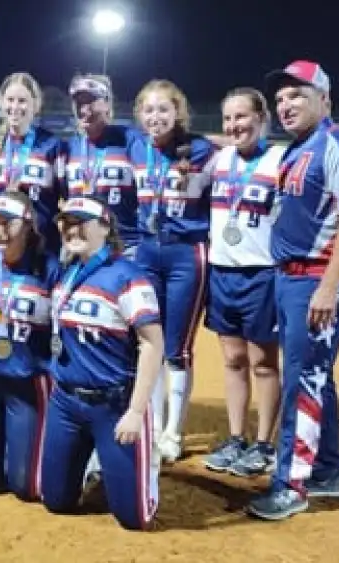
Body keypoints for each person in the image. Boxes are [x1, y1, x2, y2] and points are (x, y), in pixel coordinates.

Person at [247, 60, 339, 521]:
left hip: (316, 280)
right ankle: (326, 470)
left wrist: (329, 286)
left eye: (296, 95)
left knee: (302, 380)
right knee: (316, 374)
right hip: (291, 278)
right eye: (280, 98)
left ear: (325, 98)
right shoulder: (295, 150)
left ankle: (291, 486)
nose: (285, 105)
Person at [39, 196, 164, 531]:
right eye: (65, 222)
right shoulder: (67, 273)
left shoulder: (127, 276)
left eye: (80, 221)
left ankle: (138, 467)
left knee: (134, 518)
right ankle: (101, 465)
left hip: (114, 403)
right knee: (55, 501)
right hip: (65, 401)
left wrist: (137, 411)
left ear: (105, 227)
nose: (69, 229)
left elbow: (153, 343)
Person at [127, 79, 216, 463]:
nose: (156, 117)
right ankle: (153, 422)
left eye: (164, 109)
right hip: (146, 251)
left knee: (177, 349)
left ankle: (172, 433)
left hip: (185, 254)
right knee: (151, 341)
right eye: (149, 110)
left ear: (178, 112)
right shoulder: (135, 146)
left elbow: (234, 150)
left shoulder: (201, 150)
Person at [201, 88, 283, 477]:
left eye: (242, 117)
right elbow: (197, 142)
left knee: (263, 363)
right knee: (233, 361)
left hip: (261, 272)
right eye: (228, 119)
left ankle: (265, 444)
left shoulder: (280, 160)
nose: (235, 126)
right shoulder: (219, 160)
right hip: (222, 269)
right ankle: (236, 438)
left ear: (261, 118)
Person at [0, 191, 59, 501]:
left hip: (27, 382)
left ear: (29, 225)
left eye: (8, 224)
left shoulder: (50, 270)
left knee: (25, 487)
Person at [0, 72, 65, 255]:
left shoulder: (52, 145)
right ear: (1, 103)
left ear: (35, 105)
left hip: (42, 248)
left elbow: (66, 197)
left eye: (22, 101)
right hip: (2, 246)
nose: (15, 106)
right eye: (10, 100)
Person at [64, 74, 142, 253]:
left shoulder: (129, 139)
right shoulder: (70, 146)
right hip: (81, 245)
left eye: (91, 101)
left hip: (124, 246)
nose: (84, 110)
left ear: (107, 103)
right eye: (79, 103)